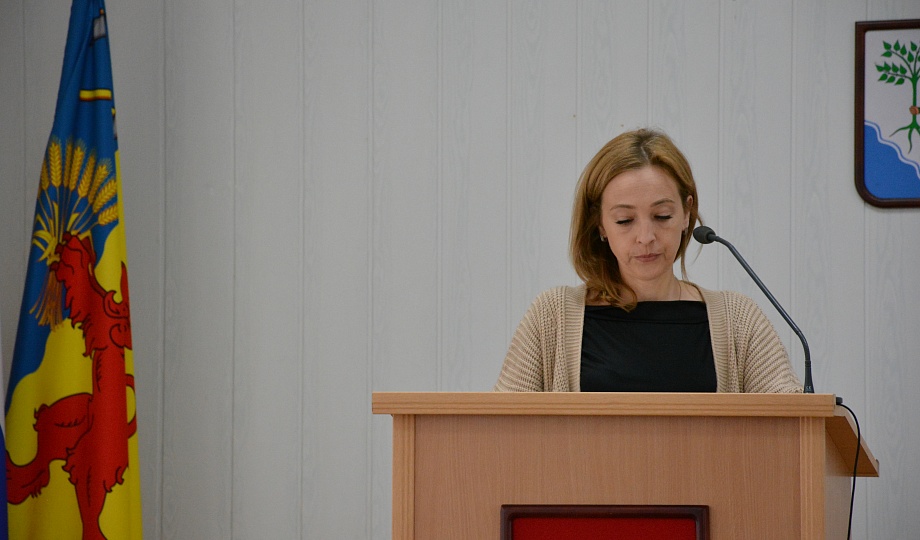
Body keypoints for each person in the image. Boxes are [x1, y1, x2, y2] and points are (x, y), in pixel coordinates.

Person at [494, 128, 802, 393]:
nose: (645, 237)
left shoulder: (738, 320)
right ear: (600, 225)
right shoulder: (552, 317)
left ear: (687, 213)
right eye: (625, 220)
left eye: (662, 216)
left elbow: (794, 423)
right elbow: (502, 429)